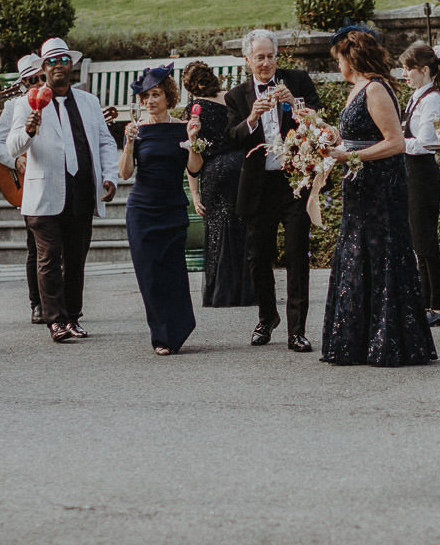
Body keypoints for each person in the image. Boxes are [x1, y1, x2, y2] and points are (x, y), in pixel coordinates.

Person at [318, 27, 436, 368]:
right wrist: (332, 136)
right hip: (360, 187)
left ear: (351, 58)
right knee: (358, 254)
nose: (338, 65)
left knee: (380, 254)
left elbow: (395, 142)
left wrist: (349, 157)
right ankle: (359, 341)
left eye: (339, 59)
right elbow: (357, 135)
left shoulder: (376, 89)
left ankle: (387, 341)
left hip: (382, 188)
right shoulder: (358, 87)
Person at [3, 37, 118, 342]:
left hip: (81, 189)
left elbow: (106, 142)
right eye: (51, 61)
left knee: (76, 259)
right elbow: (12, 146)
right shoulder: (25, 103)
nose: (57, 66)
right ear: (43, 67)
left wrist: (110, 175)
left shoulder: (89, 102)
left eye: (63, 60)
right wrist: (28, 128)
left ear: (72, 65)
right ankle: (55, 320)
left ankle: (74, 316)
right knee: (49, 258)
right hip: (44, 194)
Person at [226, 29, 322, 352]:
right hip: (258, 186)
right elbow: (233, 138)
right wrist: (252, 117)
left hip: (293, 182)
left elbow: (318, 122)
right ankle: (267, 317)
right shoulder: (237, 96)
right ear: (247, 59)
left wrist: (293, 104)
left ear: (277, 57)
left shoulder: (297, 80)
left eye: (270, 56)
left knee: (297, 254)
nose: (266, 63)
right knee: (258, 257)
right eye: (260, 57)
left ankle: (297, 330)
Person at [118, 65, 197, 354]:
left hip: (172, 207)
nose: (150, 101)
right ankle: (161, 336)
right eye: (145, 97)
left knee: (173, 273)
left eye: (156, 94)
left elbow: (194, 168)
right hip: (142, 210)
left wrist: (194, 142)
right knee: (149, 276)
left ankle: (177, 328)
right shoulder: (137, 130)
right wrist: (127, 143)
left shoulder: (182, 127)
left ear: (168, 96)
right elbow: (125, 174)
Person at [182, 61, 254, 308]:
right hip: (242, 167)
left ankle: (222, 292)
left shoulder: (194, 109)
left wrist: (194, 193)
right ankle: (248, 289)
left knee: (218, 230)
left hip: (216, 171)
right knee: (242, 225)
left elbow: (194, 151)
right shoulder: (232, 98)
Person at [0, 52, 48, 324]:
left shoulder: (59, 101)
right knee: (34, 245)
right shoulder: (15, 106)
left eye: (40, 78)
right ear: (22, 83)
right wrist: (15, 160)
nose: (36, 83)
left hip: (55, 177)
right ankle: (36, 302)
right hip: (28, 181)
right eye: (30, 80)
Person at [397, 42, 440, 327]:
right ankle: (424, 301)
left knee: (427, 241)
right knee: (418, 242)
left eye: (409, 69)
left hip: (423, 173)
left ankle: (438, 306)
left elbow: (426, 143)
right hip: (410, 172)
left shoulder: (432, 100)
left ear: (425, 70)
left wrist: (396, 143)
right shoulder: (416, 97)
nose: (405, 74)